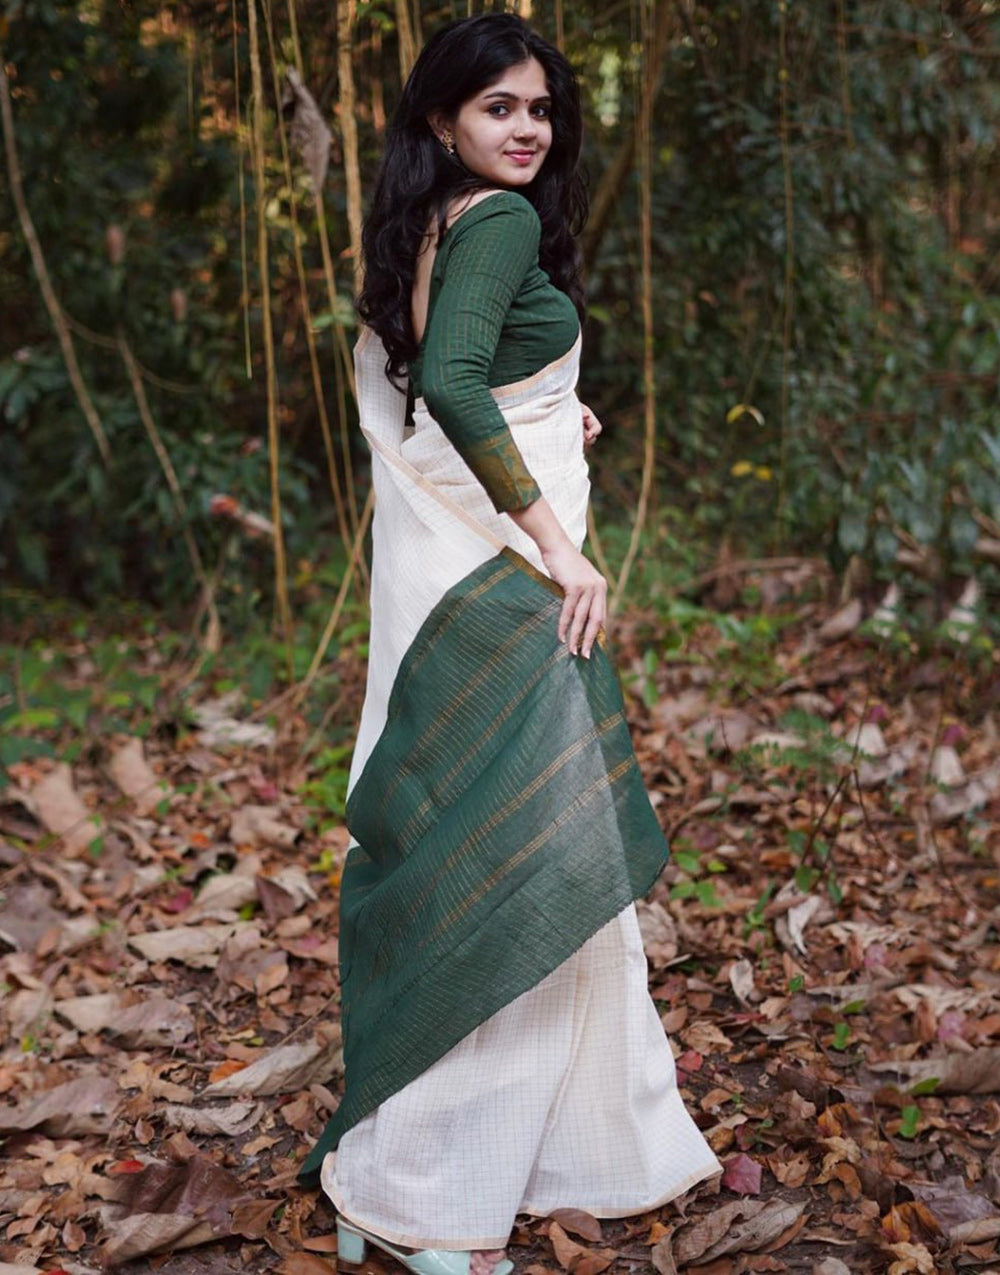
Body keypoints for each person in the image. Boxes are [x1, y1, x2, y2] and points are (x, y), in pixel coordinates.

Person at [297, 13, 721, 1275]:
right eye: (499, 108)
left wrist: (556, 404)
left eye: (539, 108)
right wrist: (561, 546)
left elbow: (430, 370)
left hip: (440, 590)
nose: (526, 128)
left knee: (455, 855)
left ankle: (388, 1183)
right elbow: (466, 390)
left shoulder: (432, 226)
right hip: (501, 588)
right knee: (518, 857)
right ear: (444, 120)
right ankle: (433, 1205)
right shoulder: (499, 221)